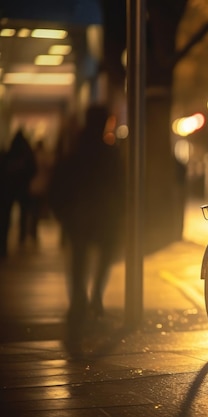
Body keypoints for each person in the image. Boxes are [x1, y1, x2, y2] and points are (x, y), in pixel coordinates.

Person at [48, 105, 125, 332]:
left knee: (78, 259)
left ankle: (79, 300)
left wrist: (61, 211)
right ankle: (96, 297)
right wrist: (121, 210)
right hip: (104, 214)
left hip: (78, 214)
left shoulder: (76, 148)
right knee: (106, 255)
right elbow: (120, 184)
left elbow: (60, 179)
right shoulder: (109, 151)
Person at [0, 129, 36, 258]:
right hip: (22, 188)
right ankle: (22, 235)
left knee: (5, 216)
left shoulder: (9, 154)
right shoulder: (26, 154)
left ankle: (3, 244)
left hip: (7, 190)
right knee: (23, 212)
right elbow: (33, 169)